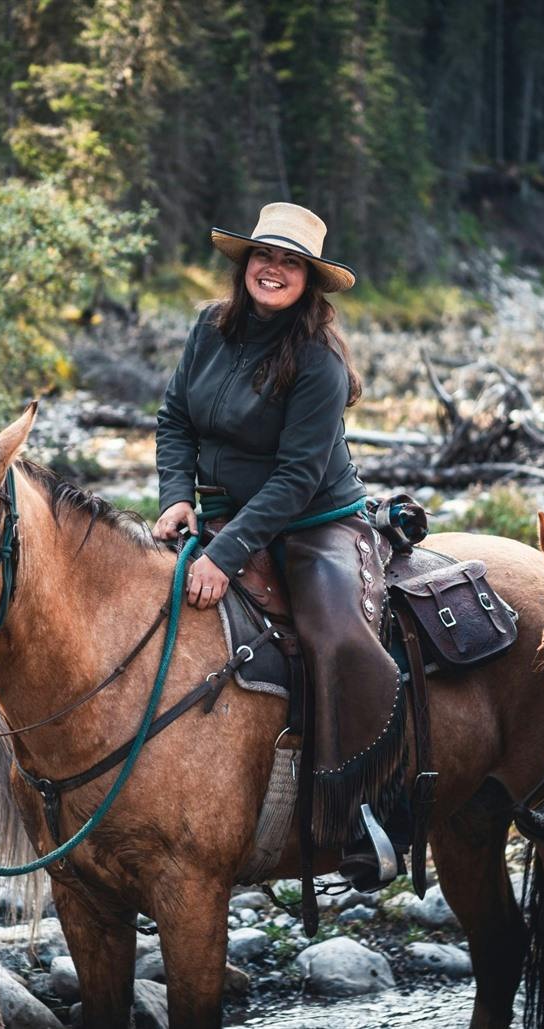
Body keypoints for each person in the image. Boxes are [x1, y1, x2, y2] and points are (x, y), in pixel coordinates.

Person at [152, 202, 404, 887]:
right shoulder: (210, 327)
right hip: (217, 511)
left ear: (308, 280)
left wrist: (224, 554)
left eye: (291, 262)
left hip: (314, 520)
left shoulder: (319, 362)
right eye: (265, 255)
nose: (273, 269)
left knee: (336, 636)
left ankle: (356, 808)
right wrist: (176, 496)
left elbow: (296, 478)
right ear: (246, 263)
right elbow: (175, 417)